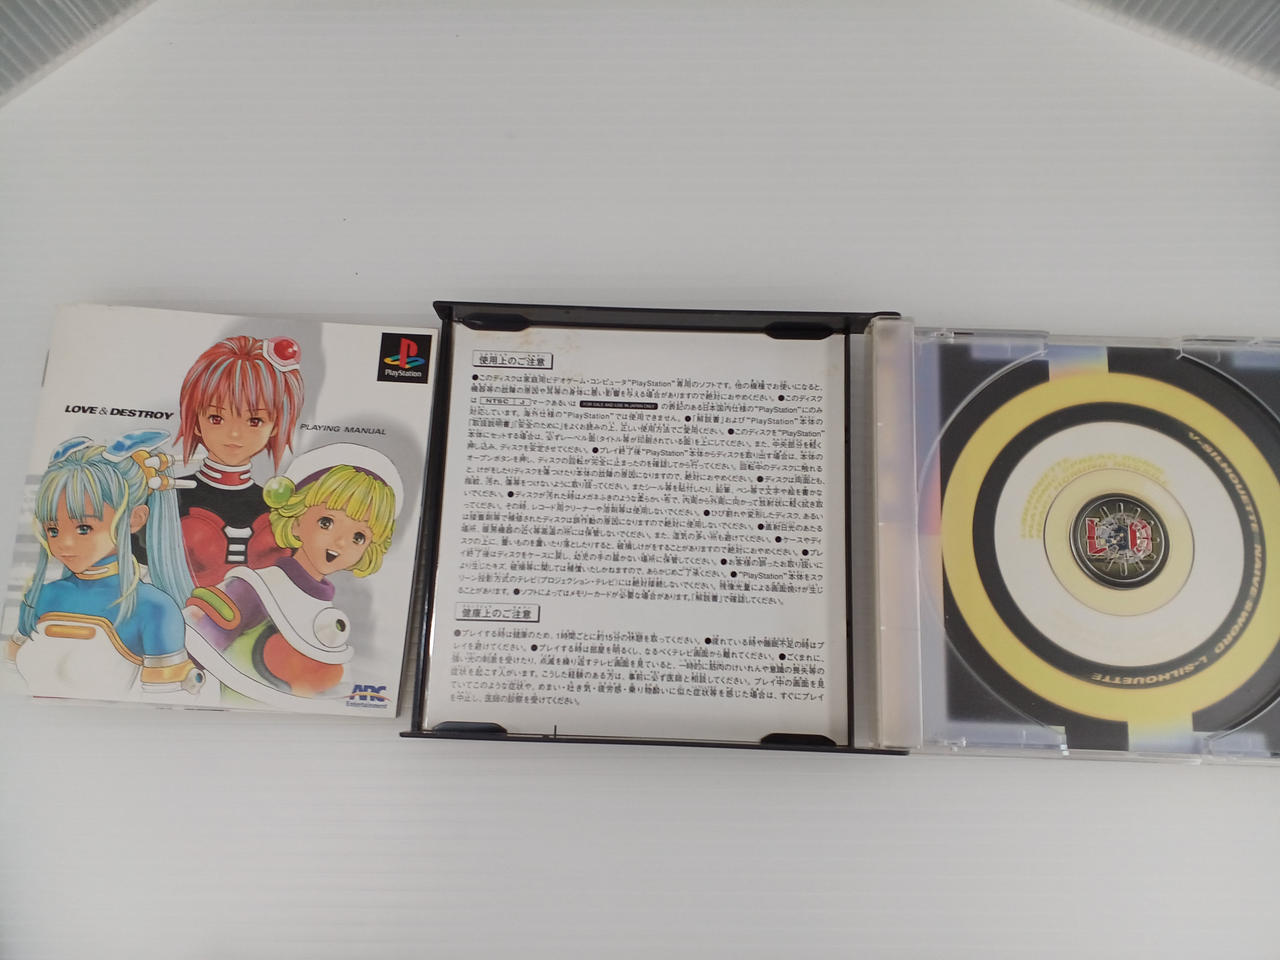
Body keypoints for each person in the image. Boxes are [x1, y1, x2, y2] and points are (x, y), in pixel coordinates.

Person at [183, 443, 401, 705]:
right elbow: (196, 651)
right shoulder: (254, 588)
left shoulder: (328, 613)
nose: (341, 542)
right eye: (326, 523)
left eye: (358, 537)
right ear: (296, 522)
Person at [6, 433, 204, 700]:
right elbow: (9, 677)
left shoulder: (154, 608)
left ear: (135, 519)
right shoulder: (41, 596)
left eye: (83, 528)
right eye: (53, 529)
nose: (63, 543)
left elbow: (165, 703)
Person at [176, 334, 304, 587]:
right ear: (196, 419)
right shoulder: (169, 496)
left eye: (255, 421)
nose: (234, 434)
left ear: (276, 426)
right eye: (216, 418)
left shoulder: (281, 507)